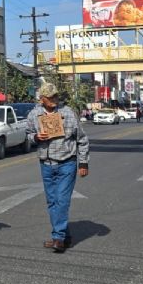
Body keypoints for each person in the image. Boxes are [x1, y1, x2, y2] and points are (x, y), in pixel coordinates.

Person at [24, 83, 90, 253]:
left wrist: (83, 163)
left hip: (67, 162)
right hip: (46, 163)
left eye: (56, 96)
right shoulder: (34, 114)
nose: (54, 100)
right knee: (52, 201)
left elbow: (81, 139)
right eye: (50, 97)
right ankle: (65, 236)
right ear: (42, 99)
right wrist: (36, 137)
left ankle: (57, 237)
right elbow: (28, 135)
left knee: (62, 200)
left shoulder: (68, 113)